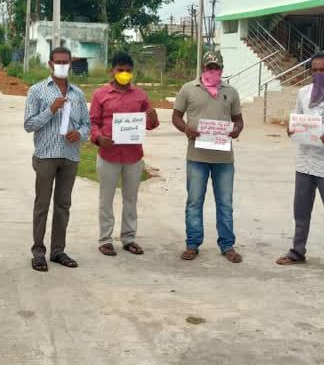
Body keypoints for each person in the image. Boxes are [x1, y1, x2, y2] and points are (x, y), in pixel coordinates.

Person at [276, 52, 324, 275]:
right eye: (314, 70)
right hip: (305, 162)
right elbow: (298, 120)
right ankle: (297, 251)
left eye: (323, 70)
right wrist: (291, 130)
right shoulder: (303, 93)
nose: (318, 74)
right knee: (301, 210)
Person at [172, 51, 244, 263]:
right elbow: (176, 116)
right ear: (203, 68)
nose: (213, 71)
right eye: (209, 67)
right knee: (194, 201)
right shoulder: (188, 89)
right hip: (197, 156)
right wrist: (186, 129)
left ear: (221, 69)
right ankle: (193, 244)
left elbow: (239, 119)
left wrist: (237, 129)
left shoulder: (230, 91)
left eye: (217, 67)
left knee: (225, 203)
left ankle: (227, 245)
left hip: (224, 159)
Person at [24, 46, 91, 271]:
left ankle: (58, 250)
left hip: (70, 156)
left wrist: (79, 134)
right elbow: (29, 124)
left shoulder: (78, 94)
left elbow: (86, 125)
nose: (62, 66)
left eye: (66, 62)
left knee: (63, 205)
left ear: (71, 64)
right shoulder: (37, 91)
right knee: (42, 204)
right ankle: (38, 252)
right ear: (50, 64)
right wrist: (51, 109)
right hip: (46, 155)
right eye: (58, 62)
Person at [90, 52, 159, 256]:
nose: (124, 74)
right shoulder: (100, 94)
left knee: (131, 199)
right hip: (108, 154)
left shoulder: (140, 96)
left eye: (128, 71)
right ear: (112, 70)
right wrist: (98, 137)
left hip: (133, 156)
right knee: (106, 199)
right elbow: (92, 122)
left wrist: (153, 118)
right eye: (120, 70)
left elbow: (149, 123)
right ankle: (105, 239)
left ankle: (129, 238)